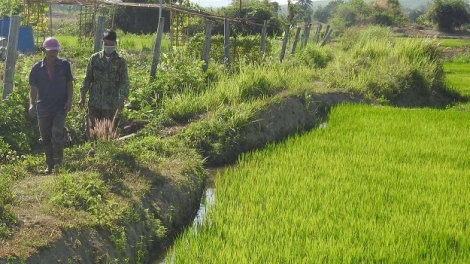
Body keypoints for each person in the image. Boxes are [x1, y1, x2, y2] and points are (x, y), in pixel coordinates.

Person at [28, 37, 73, 174]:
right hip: (43, 108)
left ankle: (59, 162)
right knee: (46, 137)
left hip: (60, 107)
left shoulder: (64, 65)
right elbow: (33, 89)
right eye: (50, 51)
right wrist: (31, 104)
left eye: (55, 51)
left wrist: (69, 100)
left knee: (57, 131)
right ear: (44, 50)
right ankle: (50, 165)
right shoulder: (36, 68)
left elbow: (69, 84)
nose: (53, 54)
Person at [79, 29, 130, 139]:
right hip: (94, 101)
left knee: (106, 131)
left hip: (111, 103)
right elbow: (87, 79)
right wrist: (82, 96)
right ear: (102, 43)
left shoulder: (120, 61)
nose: (108, 47)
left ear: (115, 44)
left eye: (111, 45)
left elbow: (124, 82)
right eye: (106, 44)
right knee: (90, 128)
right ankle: (92, 149)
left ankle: (104, 151)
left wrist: (122, 99)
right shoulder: (95, 59)